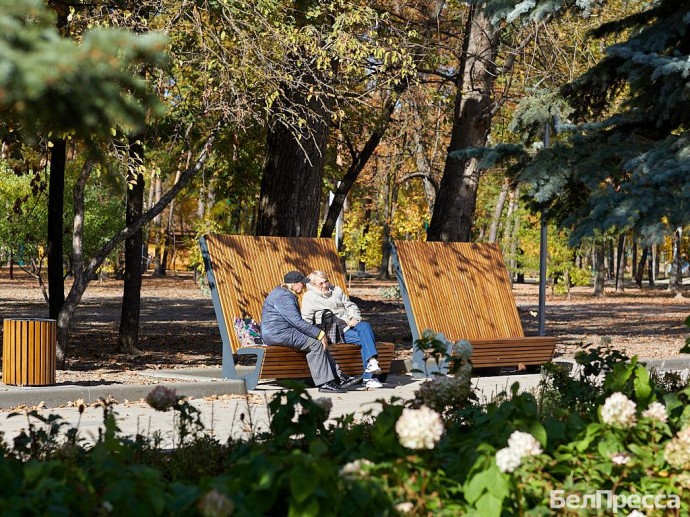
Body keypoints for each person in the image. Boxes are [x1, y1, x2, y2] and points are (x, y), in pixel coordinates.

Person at [260, 270, 361, 393]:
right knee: (316, 343)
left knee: (319, 342)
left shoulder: (283, 292)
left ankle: (339, 376)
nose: (304, 286)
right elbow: (297, 321)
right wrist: (320, 334)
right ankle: (325, 383)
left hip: (282, 331)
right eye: (302, 283)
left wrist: (318, 334)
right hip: (278, 334)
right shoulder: (284, 296)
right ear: (294, 284)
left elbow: (296, 322)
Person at [301, 270, 384, 389]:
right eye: (321, 284)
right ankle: (369, 375)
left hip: (349, 326)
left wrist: (354, 317)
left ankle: (371, 365)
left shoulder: (336, 290)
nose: (325, 285)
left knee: (365, 326)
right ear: (313, 285)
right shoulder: (309, 297)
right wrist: (316, 336)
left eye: (326, 281)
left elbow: (350, 305)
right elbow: (306, 320)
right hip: (333, 332)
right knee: (367, 339)